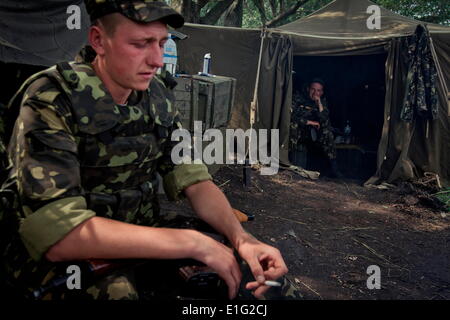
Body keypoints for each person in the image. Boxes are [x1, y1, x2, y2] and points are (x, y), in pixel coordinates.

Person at [1, 0, 301, 300]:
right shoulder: (52, 96)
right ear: (97, 41)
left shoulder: (156, 94)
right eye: (141, 44)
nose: (157, 60)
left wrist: (242, 238)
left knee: (266, 283)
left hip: (143, 233)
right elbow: (59, 234)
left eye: (161, 43)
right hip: (69, 256)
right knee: (117, 294)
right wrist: (192, 243)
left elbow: (195, 180)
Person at [290, 78, 342, 178]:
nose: (315, 93)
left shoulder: (322, 102)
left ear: (322, 92)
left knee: (327, 130)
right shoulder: (298, 98)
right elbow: (290, 116)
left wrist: (319, 104)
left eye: (318, 91)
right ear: (308, 89)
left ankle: (333, 167)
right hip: (299, 130)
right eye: (313, 89)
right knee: (293, 125)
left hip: (313, 134)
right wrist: (308, 122)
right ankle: (289, 162)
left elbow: (325, 120)